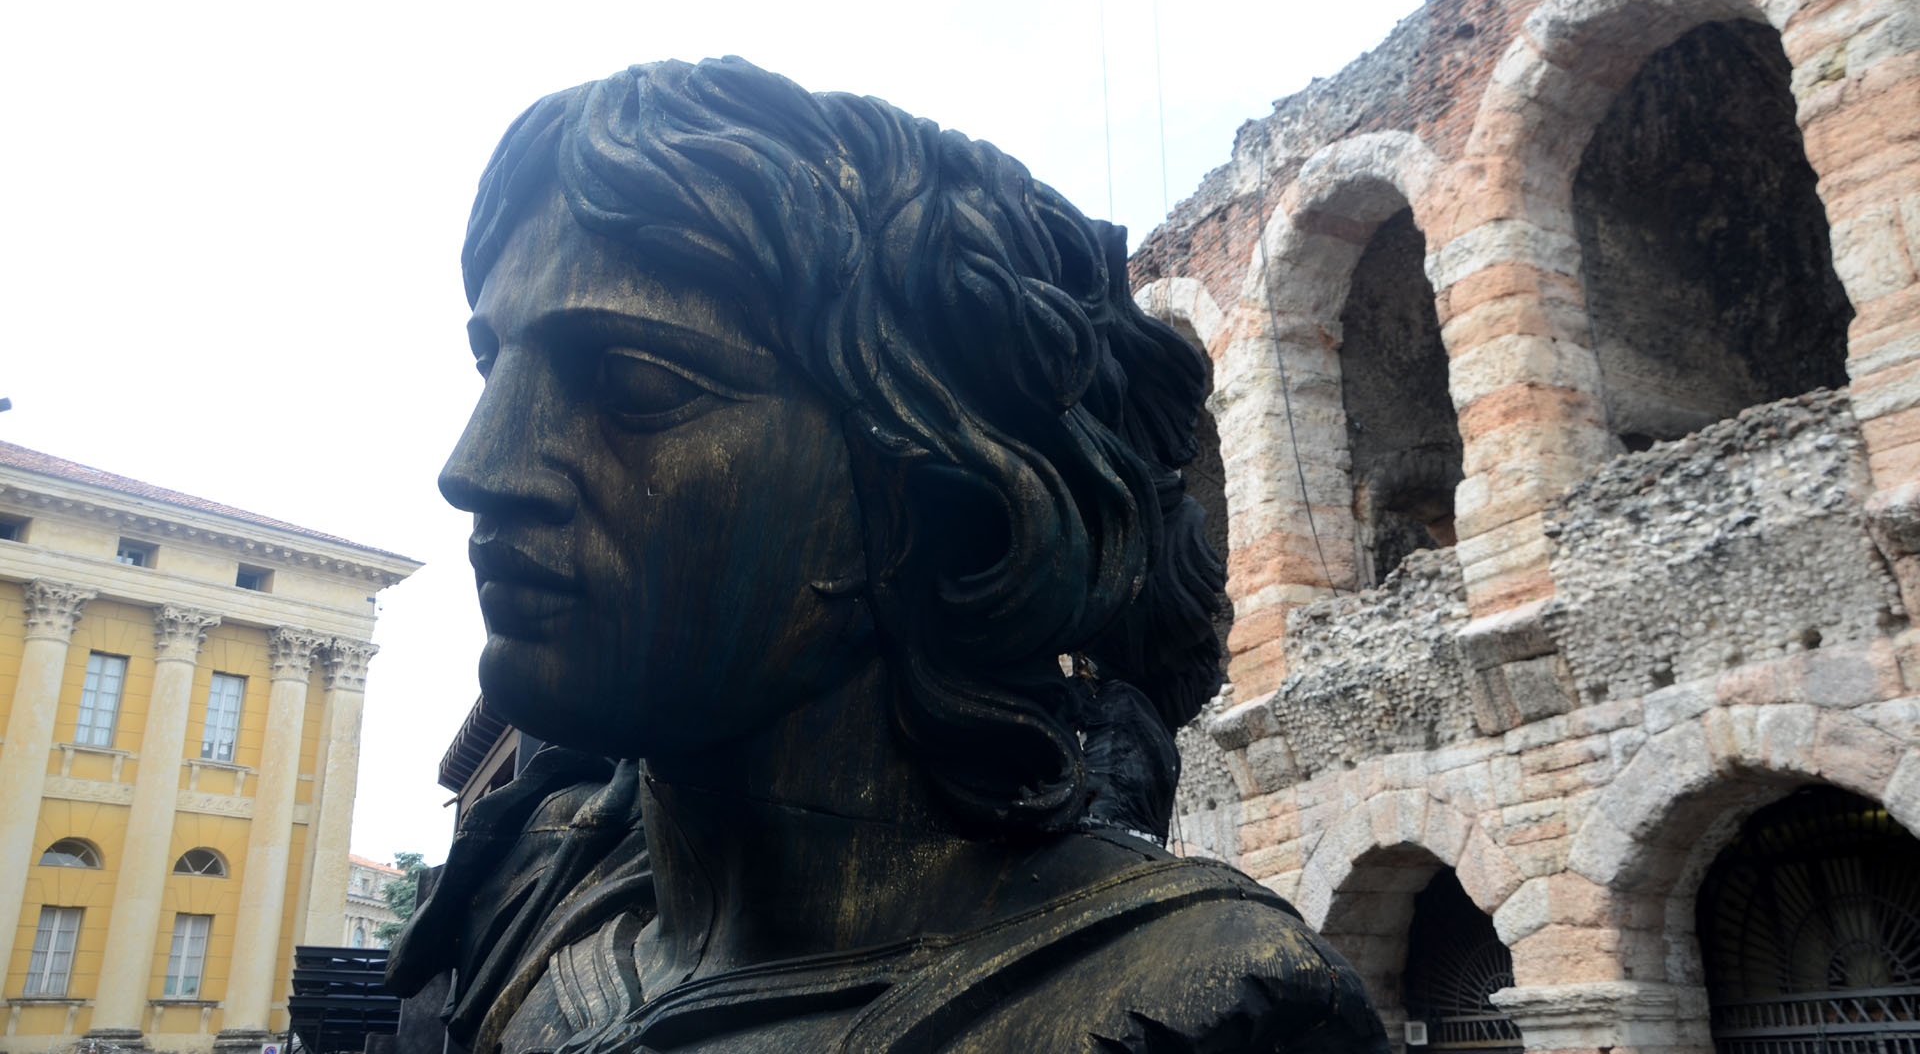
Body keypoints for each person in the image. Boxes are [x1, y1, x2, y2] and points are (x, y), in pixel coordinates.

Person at [391, 56, 1388, 1054]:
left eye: (637, 382)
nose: (476, 467)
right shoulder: (530, 900)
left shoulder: (1206, 1009)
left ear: (941, 487)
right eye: (493, 365)